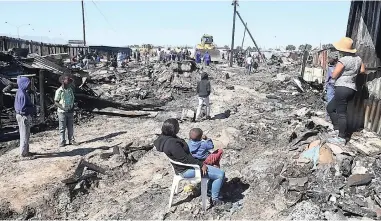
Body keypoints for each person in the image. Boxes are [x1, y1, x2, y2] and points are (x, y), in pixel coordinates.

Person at [154, 119, 225, 206]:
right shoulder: (172, 144)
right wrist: (201, 164)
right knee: (220, 175)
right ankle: (214, 198)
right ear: (173, 129)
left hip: (183, 166)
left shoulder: (165, 138)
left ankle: (210, 188)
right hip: (186, 170)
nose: (179, 128)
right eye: (178, 126)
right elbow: (185, 159)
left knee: (214, 168)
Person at [327, 37, 366, 145]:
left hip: (342, 88)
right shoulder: (358, 59)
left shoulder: (343, 60)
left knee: (341, 113)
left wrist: (337, 74)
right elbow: (362, 71)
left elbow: (334, 75)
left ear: (342, 49)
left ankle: (341, 138)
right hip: (352, 88)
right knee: (330, 108)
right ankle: (338, 129)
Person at [14, 76, 35, 158]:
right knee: (24, 135)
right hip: (23, 116)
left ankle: (26, 151)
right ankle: (24, 154)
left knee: (25, 134)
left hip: (20, 115)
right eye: (28, 84)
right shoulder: (22, 94)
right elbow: (23, 108)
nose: (29, 85)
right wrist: (32, 108)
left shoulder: (20, 91)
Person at [55, 74, 76, 147]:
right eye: (67, 79)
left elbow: (72, 99)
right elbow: (56, 102)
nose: (69, 81)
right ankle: (62, 141)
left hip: (70, 110)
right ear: (63, 81)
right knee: (62, 127)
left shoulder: (70, 90)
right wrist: (63, 108)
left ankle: (71, 140)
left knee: (70, 126)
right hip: (62, 112)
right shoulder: (59, 91)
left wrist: (72, 107)